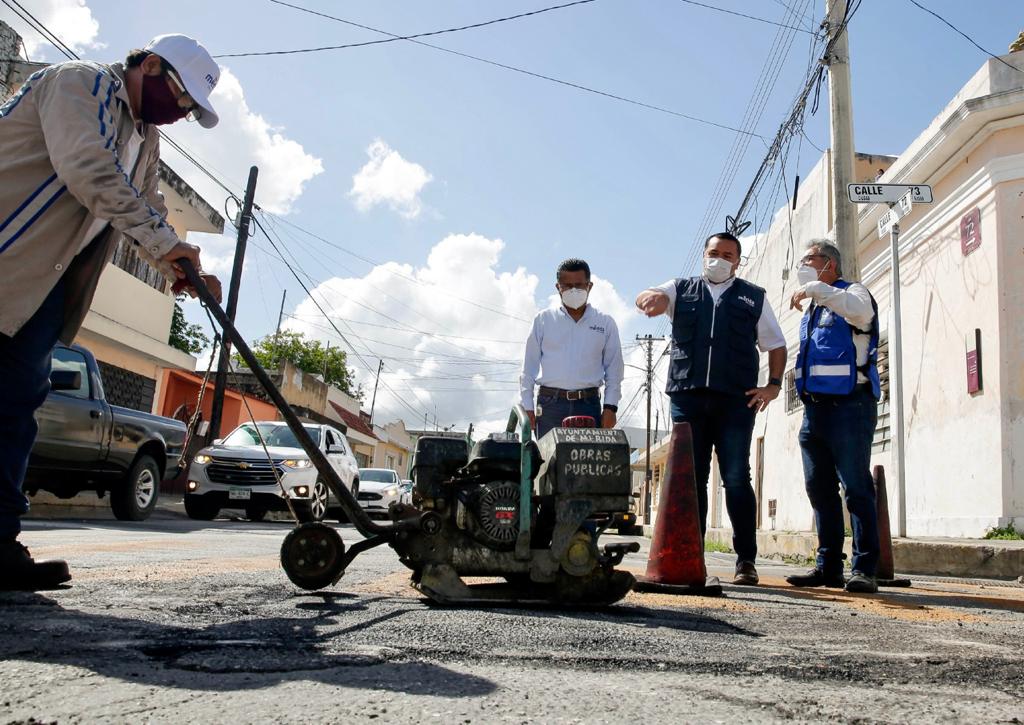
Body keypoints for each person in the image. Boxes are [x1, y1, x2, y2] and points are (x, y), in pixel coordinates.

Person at [0, 34, 225, 591]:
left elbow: (146, 203)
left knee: (13, 406)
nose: (178, 114)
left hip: (41, 282)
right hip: (7, 257)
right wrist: (160, 242)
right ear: (148, 65)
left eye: (189, 110)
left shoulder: (144, 138)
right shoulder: (80, 84)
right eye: (178, 97)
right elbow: (91, 173)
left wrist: (180, 264)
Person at [635, 232, 787, 586]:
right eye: (713, 253)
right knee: (692, 480)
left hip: (735, 401)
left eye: (728, 254)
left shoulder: (753, 297)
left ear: (738, 261)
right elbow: (647, 295)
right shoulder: (680, 288)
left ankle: (745, 560)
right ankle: (691, 554)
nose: (719, 259)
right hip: (688, 399)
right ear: (704, 255)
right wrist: (652, 298)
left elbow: (776, 344)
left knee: (736, 477)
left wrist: (774, 386)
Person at [785, 240, 882, 594]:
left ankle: (865, 568)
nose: (804, 266)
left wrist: (815, 288)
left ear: (830, 264)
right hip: (815, 410)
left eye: (809, 260)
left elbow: (860, 313)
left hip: (851, 405)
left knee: (855, 487)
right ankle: (828, 567)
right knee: (819, 488)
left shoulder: (851, 292)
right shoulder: (814, 307)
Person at [520, 259, 624, 438]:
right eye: (567, 286)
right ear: (557, 287)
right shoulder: (543, 320)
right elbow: (528, 368)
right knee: (549, 463)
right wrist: (527, 406)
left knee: (587, 464)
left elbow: (614, 370)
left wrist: (610, 407)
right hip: (550, 405)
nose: (573, 290)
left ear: (589, 286)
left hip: (588, 404)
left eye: (578, 285)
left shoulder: (605, 323)